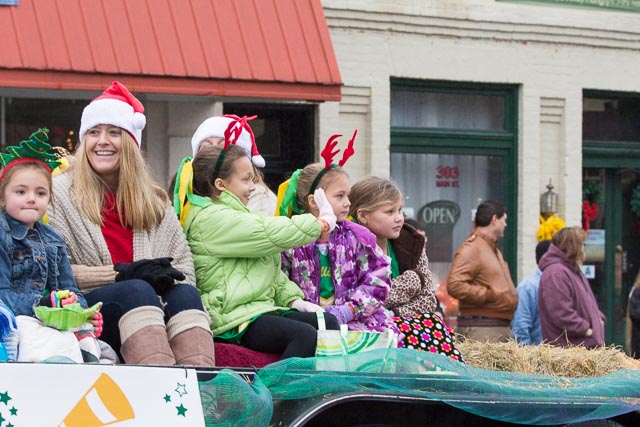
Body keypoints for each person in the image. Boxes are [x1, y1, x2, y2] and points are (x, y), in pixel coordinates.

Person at [47, 81, 214, 366]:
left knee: (184, 293)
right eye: (94, 132)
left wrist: (161, 278)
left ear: (131, 142)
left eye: (114, 132)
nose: (102, 141)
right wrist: (121, 275)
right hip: (88, 312)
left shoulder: (154, 201)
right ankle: (159, 391)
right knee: (137, 289)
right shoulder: (58, 192)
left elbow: (184, 270)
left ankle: (201, 388)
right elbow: (53, 270)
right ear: (83, 140)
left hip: (152, 311)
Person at [175, 127, 340, 359]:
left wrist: (292, 299)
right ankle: (273, 393)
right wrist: (319, 224)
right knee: (303, 335)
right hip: (232, 317)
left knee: (328, 323)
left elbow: (268, 267)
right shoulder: (209, 218)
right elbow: (270, 233)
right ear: (221, 184)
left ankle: (319, 390)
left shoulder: (240, 215)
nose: (253, 187)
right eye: (246, 180)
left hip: (259, 309)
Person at [0, 128, 103, 361]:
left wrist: (82, 312)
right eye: (20, 191)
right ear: (2, 198)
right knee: (36, 336)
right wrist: (45, 305)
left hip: (52, 320)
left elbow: (70, 288)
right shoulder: (2, 232)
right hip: (14, 321)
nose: (31, 198)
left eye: (40, 193)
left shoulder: (53, 239)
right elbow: (3, 295)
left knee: (88, 342)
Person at [279, 133, 397, 334]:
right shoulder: (292, 240)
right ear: (314, 201)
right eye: (339, 196)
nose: (348, 203)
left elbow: (379, 277)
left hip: (357, 323)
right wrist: (296, 305)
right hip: (310, 325)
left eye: (348, 196)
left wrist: (349, 310)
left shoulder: (358, 237)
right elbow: (279, 279)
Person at [349, 177, 463, 361]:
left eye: (400, 210)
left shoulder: (412, 243)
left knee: (433, 322)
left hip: (400, 324)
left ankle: (447, 384)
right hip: (364, 333)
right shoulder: (345, 247)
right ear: (363, 216)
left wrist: (393, 312)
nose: (399, 218)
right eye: (389, 211)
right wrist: (410, 283)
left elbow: (428, 301)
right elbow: (357, 301)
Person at [447, 200, 518, 343]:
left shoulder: (491, 248)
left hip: (494, 328)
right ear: (494, 220)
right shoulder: (473, 248)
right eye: (504, 220)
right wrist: (488, 295)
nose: (506, 224)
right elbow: (454, 285)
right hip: (482, 330)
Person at [189, 115, 277, 215]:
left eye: (222, 145)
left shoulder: (258, 197)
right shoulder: (189, 193)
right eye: (207, 147)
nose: (214, 152)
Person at [538, 227, 605, 348]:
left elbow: (587, 304)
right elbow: (561, 313)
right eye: (582, 244)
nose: (584, 249)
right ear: (573, 247)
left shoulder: (571, 270)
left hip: (582, 350)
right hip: (570, 352)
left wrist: (598, 320)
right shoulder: (556, 273)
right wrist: (588, 330)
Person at [511, 240, 551, 345]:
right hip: (537, 355)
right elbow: (520, 326)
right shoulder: (528, 287)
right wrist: (528, 357)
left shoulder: (560, 284)